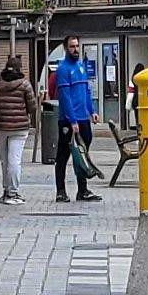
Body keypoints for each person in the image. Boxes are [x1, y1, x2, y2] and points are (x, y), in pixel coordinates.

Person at [49, 38, 103, 202]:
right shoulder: (63, 70)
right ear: (65, 48)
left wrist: (92, 111)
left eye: (77, 46)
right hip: (68, 120)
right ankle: (61, 191)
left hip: (83, 118)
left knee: (82, 155)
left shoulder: (80, 66)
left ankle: (83, 190)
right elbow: (65, 97)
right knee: (63, 156)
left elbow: (86, 90)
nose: (75, 49)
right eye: (72, 46)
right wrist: (72, 121)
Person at [0, 61, 40, 204]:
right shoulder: (25, 85)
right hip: (20, 128)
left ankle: (6, 191)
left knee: (5, 161)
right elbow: (32, 107)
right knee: (14, 161)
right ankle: (13, 192)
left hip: (2, 127)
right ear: (19, 69)